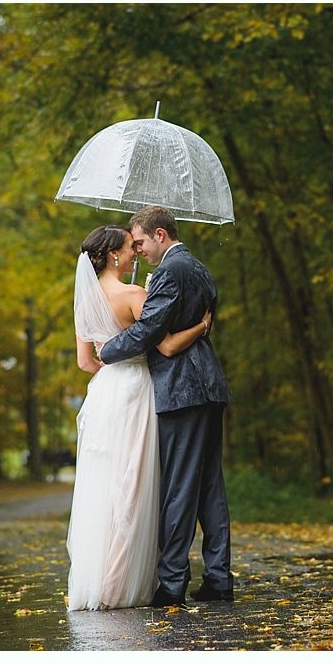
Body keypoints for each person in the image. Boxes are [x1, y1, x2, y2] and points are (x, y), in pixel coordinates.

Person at [67, 224, 211, 611]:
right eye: (130, 249)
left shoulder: (85, 300)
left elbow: (85, 362)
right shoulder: (134, 294)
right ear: (114, 254)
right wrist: (200, 326)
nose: (135, 253)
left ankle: (100, 580)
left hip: (104, 396)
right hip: (135, 393)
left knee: (105, 485)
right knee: (136, 485)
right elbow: (164, 345)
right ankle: (126, 580)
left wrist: (110, 378)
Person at [98, 206, 233, 608]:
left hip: (183, 389)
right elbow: (197, 323)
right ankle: (219, 578)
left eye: (139, 242)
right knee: (210, 486)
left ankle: (172, 583)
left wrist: (109, 351)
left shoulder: (172, 271)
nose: (136, 250)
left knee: (179, 486)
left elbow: (150, 328)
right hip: (208, 386)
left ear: (160, 234)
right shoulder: (199, 268)